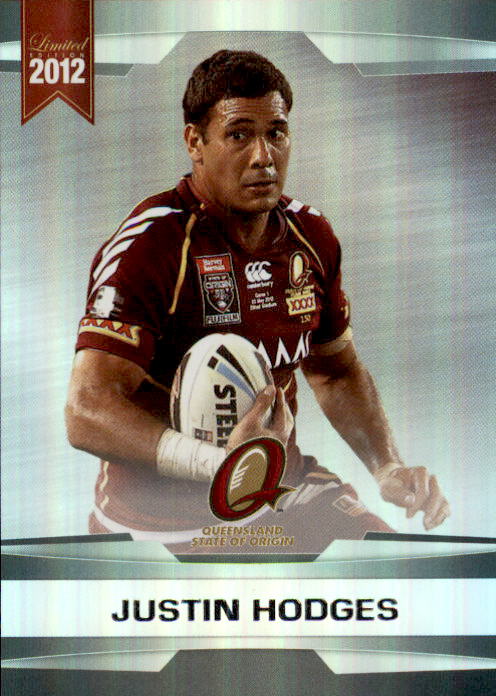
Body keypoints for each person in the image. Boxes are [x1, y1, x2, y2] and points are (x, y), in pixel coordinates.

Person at [65, 50, 450, 552]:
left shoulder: (310, 237)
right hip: (157, 522)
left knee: (396, 568)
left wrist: (387, 466)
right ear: (195, 142)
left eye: (277, 132)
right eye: (239, 135)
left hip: (279, 494)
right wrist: (219, 465)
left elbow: (335, 372)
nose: (263, 156)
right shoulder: (150, 246)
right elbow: (87, 409)